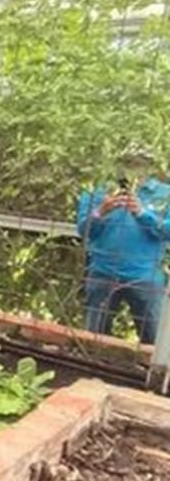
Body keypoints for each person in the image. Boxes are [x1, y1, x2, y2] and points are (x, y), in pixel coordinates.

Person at [76, 146, 170, 344]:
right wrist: (101, 210)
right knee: (92, 339)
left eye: (139, 163)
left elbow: (167, 232)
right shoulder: (97, 191)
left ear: (150, 165)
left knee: (155, 341)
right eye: (128, 163)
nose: (134, 168)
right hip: (102, 272)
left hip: (146, 276)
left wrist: (143, 214)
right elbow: (84, 230)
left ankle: (148, 375)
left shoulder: (165, 194)